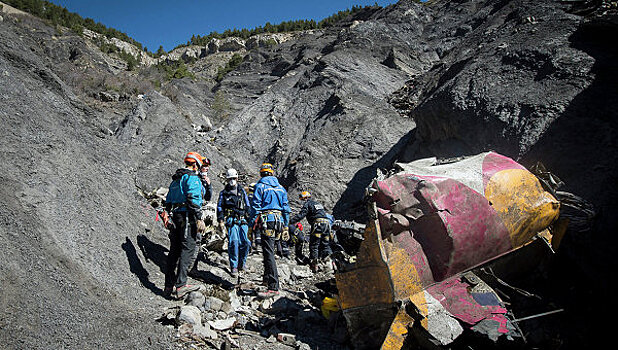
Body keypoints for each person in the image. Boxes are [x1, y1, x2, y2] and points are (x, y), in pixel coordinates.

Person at [164, 152, 206, 299]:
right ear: (195, 164)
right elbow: (193, 198)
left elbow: (168, 201)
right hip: (188, 217)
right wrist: (199, 218)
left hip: (175, 216)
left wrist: (167, 214)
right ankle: (181, 285)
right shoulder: (192, 178)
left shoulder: (175, 180)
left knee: (174, 250)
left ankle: (168, 285)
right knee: (188, 248)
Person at [249, 163, 290, 299]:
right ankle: (267, 279)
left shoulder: (260, 187)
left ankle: (273, 286)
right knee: (269, 250)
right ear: (272, 173)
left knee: (268, 252)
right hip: (279, 221)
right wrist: (286, 226)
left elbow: (255, 207)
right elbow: (286, 209)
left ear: (261, 174)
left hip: (268, 221)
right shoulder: (281, 188)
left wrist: (251, 225)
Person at [217, 168, 251, 278]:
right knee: (234, 242)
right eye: (230, 179)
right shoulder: (224, 193)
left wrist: (250, 217)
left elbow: (248, 205)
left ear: (237, 178)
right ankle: (234, 266)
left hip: (243, 220)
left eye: (233, 178)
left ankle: (242, 263)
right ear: (227, 180)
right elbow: (220, 207)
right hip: (231, 220)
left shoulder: (242, 192)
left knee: (245, 242)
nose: (232, 180)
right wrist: (221, 221)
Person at [290, 191, 332, 272]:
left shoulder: (308, 204)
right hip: (327, 225)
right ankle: (330, 264)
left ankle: (314, 266)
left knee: (314, 244)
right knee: (325, 244)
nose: (302, 201)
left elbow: (301, 215)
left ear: (305, 198)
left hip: (318, 224)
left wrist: (290, 221)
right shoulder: (318, 204)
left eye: (302, 199)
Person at [188, 156, 212, 277]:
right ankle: (189, 267)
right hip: (192, 212)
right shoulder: (194, 179)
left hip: (199, 211)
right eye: (204, 167)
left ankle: (192, 266)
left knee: (197, 239)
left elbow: (208, 197)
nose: (206, 169)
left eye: (207, 167)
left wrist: (208, 185)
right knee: (193, 239)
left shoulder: (203, 181)